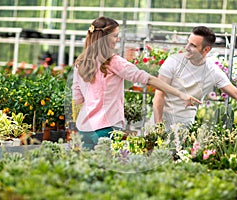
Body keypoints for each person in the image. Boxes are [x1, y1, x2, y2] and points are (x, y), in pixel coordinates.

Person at [72, 16, 201, 150]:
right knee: (106, 168)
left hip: (84, 129)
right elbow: (148, 79)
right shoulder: (113, 61)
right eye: (115, 36)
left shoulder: (80, 63)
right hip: (106, 128)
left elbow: (77, 99)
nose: (117, 39)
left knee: (86, 168)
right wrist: (181, 94)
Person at [153, 26, 237, 130]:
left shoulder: (212, 71)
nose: (187, 48)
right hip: (160, 122)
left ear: (206, 50)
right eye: (188, 43)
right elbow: (159, 93)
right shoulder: (173, 62)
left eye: (193, 45)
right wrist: (158, 125)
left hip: (186, 128)